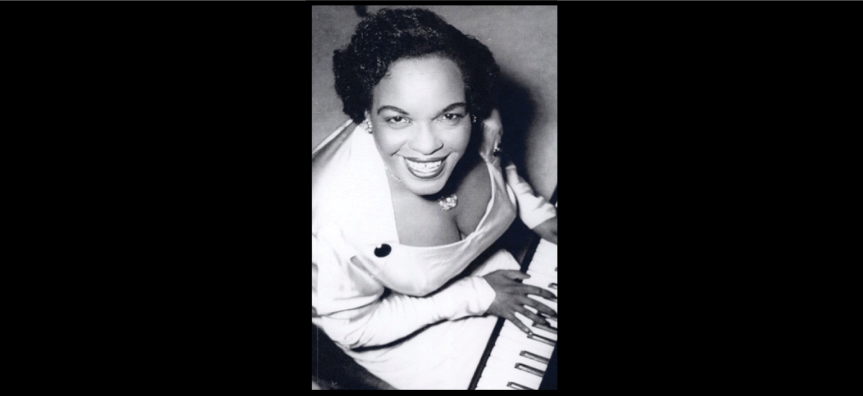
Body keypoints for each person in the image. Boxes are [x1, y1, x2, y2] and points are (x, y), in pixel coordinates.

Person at [312, 8, 558, 389]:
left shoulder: (484, 121)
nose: (429, 147)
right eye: (398, 118)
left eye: (449, 116)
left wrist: (530, 206)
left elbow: (498, 160)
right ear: (365, 115)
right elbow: (354, 327)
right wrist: (476, 295)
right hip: (390, 323)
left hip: (474, 272)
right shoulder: (335, 224)